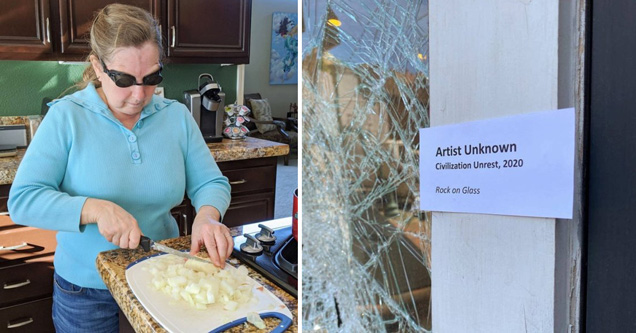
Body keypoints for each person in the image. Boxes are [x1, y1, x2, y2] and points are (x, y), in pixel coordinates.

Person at [7, 4, 232, 332]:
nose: (140, 94)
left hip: (162, 276)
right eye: (124, 80)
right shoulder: (66, 117)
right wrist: (93, 209)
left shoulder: (176, 116)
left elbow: (210, 182)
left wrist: (208, 216)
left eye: (151, 78)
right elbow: (23, 200)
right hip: (86, 291)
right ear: (98, 67)